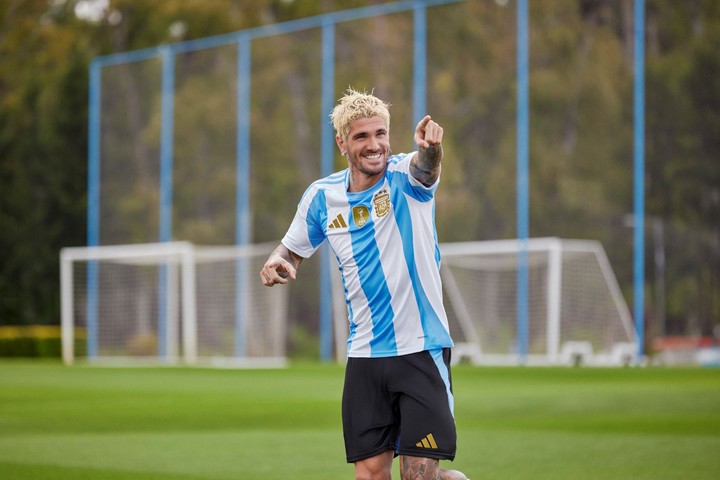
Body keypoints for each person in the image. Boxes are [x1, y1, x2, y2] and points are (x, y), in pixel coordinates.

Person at [260, 89, 468, 480]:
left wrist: (431, 150)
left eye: (381, 134)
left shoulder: (405, 176)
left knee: (418, 476)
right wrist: (277, 261)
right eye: (362, 137)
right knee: (369, 475)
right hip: (365, 356)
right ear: (342, 142)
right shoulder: (322, 197)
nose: (375, 145)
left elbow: (427, 170)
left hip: (420, 349)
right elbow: (290, 250)